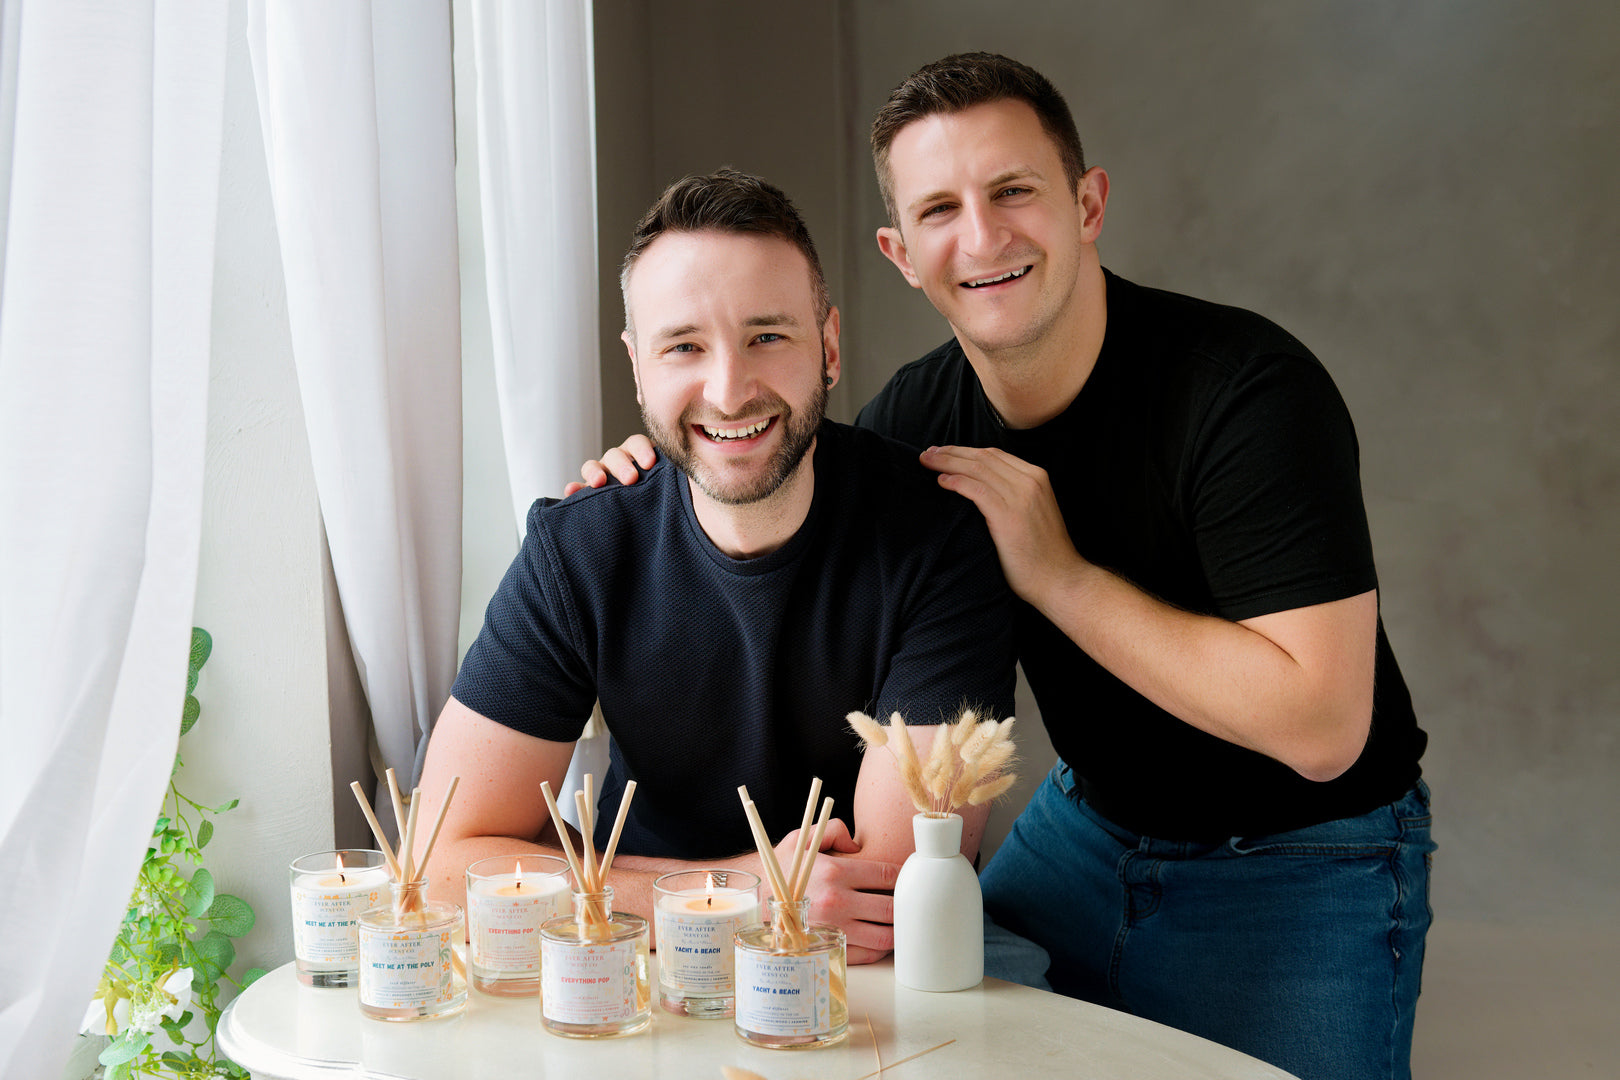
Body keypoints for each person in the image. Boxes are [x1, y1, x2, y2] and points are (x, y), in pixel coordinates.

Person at [570, 53, 1432, 1080]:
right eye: (939, 209)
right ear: (901, 253)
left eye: (1013, 191)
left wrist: (1059, 574)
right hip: (1088, 826)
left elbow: (1325, 731)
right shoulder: (916, 420)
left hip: (1304, 849)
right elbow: (764, 491)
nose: (981, 238)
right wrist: (650, 484)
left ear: (1088, 204)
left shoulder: (1246, 394)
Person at [416, 168, 1016, 966]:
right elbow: (441, 868)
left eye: (767, 337)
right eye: (684, 347)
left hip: (845, 986)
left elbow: (883, 901)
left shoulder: (937, 540)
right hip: (633, 971)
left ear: (829, 346)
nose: (729, 391)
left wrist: (617, 888)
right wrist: (745, 896)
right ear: (639, 366)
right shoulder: (580, 549)